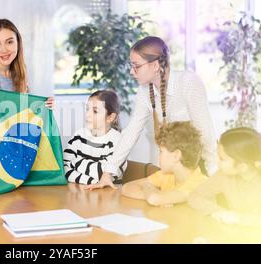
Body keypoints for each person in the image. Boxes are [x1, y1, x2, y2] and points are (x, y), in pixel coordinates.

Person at [85, 36, 217, 191]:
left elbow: (205, 132)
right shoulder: (144, 91)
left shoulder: (188, 82)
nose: (131, 71)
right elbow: (132, 131)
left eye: (136, 66)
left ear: (155, 65)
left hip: (199, 164)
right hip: (175, 166)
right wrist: (108, 172)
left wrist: (213, 173)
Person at [188, 127, 261, 227]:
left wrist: (239, 219)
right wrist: (219, 212)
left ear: (242, 166)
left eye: (222, 159)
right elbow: (195, 196)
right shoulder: (223, 175)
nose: (218, 162)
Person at [121, 121, 207, 206]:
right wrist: (160, 197)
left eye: (161, 151)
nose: (158, 157)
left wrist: (148, 188)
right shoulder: (167, 175)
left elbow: (154, 199)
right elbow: (126, 188)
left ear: (176, 156)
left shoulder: (198, 184)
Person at [64, 90, 124, 184]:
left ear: (110, 117)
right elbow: (64, 167)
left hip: (107, 196)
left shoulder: (118, 141)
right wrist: (93, 181)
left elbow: (108, 175)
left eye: (95, 111)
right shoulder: (79, 136)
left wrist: (75, 162)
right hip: (78, 193)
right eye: (87, 109)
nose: (87, 114)